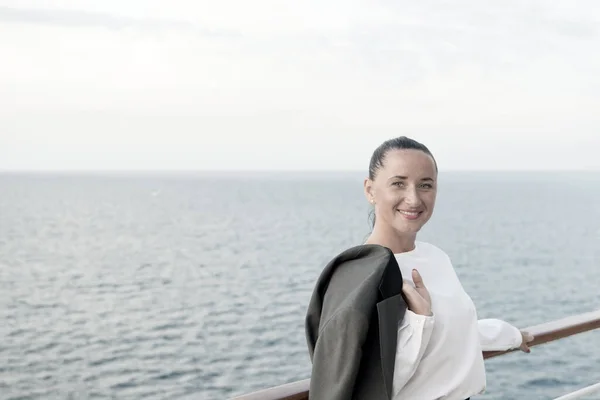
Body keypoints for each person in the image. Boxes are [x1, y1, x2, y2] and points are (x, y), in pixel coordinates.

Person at [305, 136, 534, 400]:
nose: (413, 199)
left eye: (425, 185)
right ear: (370, 190)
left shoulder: (435, 257)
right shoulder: (362, 274)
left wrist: (512, 336)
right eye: (398, 184)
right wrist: (420, 319)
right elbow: (370, 383)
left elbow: (455, 330)